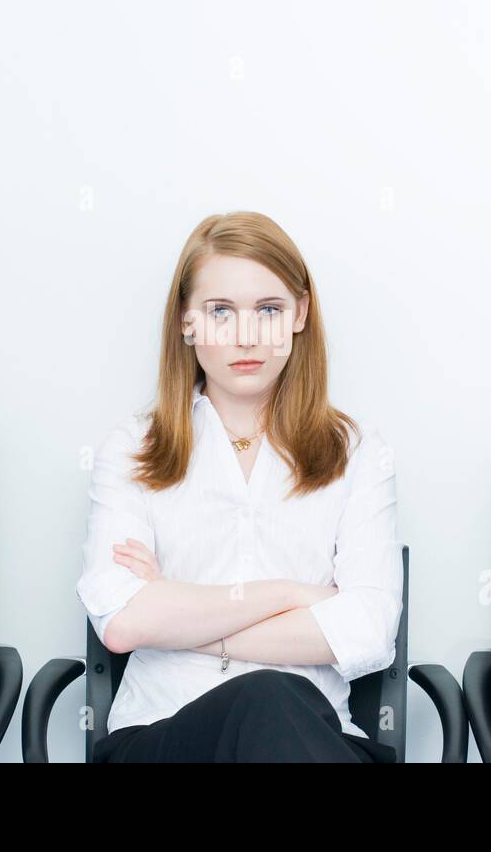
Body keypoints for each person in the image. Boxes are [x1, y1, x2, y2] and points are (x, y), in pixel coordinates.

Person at [76, 211, 403, 762]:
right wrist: (290, 595)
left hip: (317, 739)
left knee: (273, 699)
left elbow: (369, 632)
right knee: (269, 693)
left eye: (269, 310)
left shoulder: (358, 452)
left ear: (300, 313)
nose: (246, 335)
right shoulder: (131, 448)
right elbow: (122, 620)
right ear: (186, 321)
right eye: (220, 311)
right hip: (163, 735)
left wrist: (183, 618)